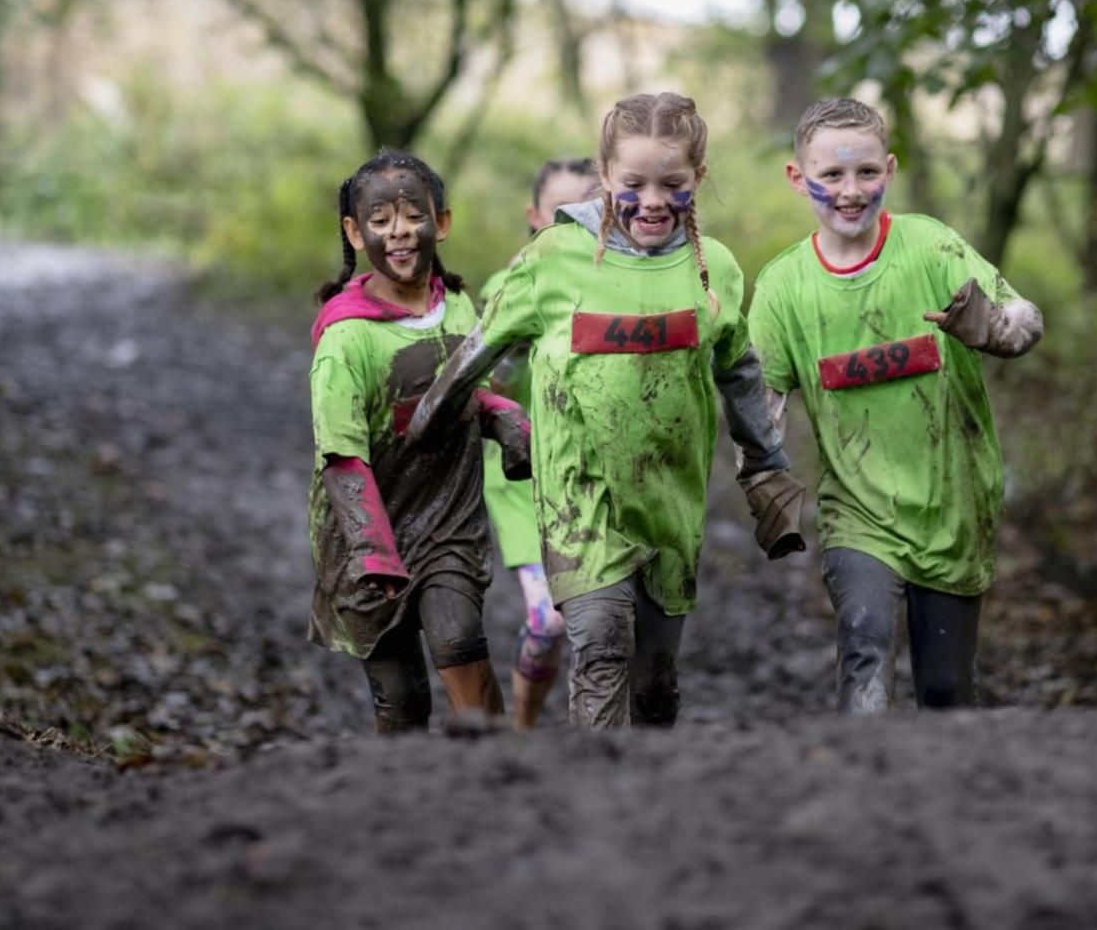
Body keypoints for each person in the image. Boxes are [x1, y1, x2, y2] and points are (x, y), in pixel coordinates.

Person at [409, 92, 807, 730]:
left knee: (654, 684)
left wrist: (765, 463)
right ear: (604, 177)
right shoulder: (552, 261)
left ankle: (646, 799)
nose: (652, 200)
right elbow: (480, 352)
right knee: (599, 647)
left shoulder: (717, 270)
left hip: (670, 503)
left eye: (672, 184)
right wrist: (424, 427)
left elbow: (739, 367)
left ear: (698, 178)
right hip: (578, 499)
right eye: (633, 184)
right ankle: (594, 794)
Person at [747, 97, 1044, 715]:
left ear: (889, 168)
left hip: (954, 505)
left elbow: (1026, 319)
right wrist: (764, 479)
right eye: (831, 176)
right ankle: (866, 799)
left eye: (866, 174)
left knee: (945, 691)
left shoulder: (931, 247)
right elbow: (761, 404)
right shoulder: (782, 288)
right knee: (865, 649)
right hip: (858, 513)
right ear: (798, 178)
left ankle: (944, 802)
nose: (850, 192)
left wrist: (990, 327)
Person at [306, 149, 532, 735]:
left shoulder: (456, 306)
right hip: (368, 533)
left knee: (460, 635)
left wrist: (507, 421)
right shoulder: (346, 337)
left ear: (442, 221)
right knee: (403, 702)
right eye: (379, 222)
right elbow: (342, 456)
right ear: (355, 233)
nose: (399, 232)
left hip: (448, 521)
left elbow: (468, 391)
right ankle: (406, 801)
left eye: (413, 216)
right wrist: (372, 548)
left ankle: (495, 776)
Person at [480, 156, 598, 729]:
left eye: (588, 207)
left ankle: (596, 728)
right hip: (523, 479)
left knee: (606, 613)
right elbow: (484, 381)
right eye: (561, 211)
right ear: (534, 216)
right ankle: (524, 719)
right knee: (551, 619)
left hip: (599, 471)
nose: (575, 221)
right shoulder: (510, 285)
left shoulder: (620, 279)